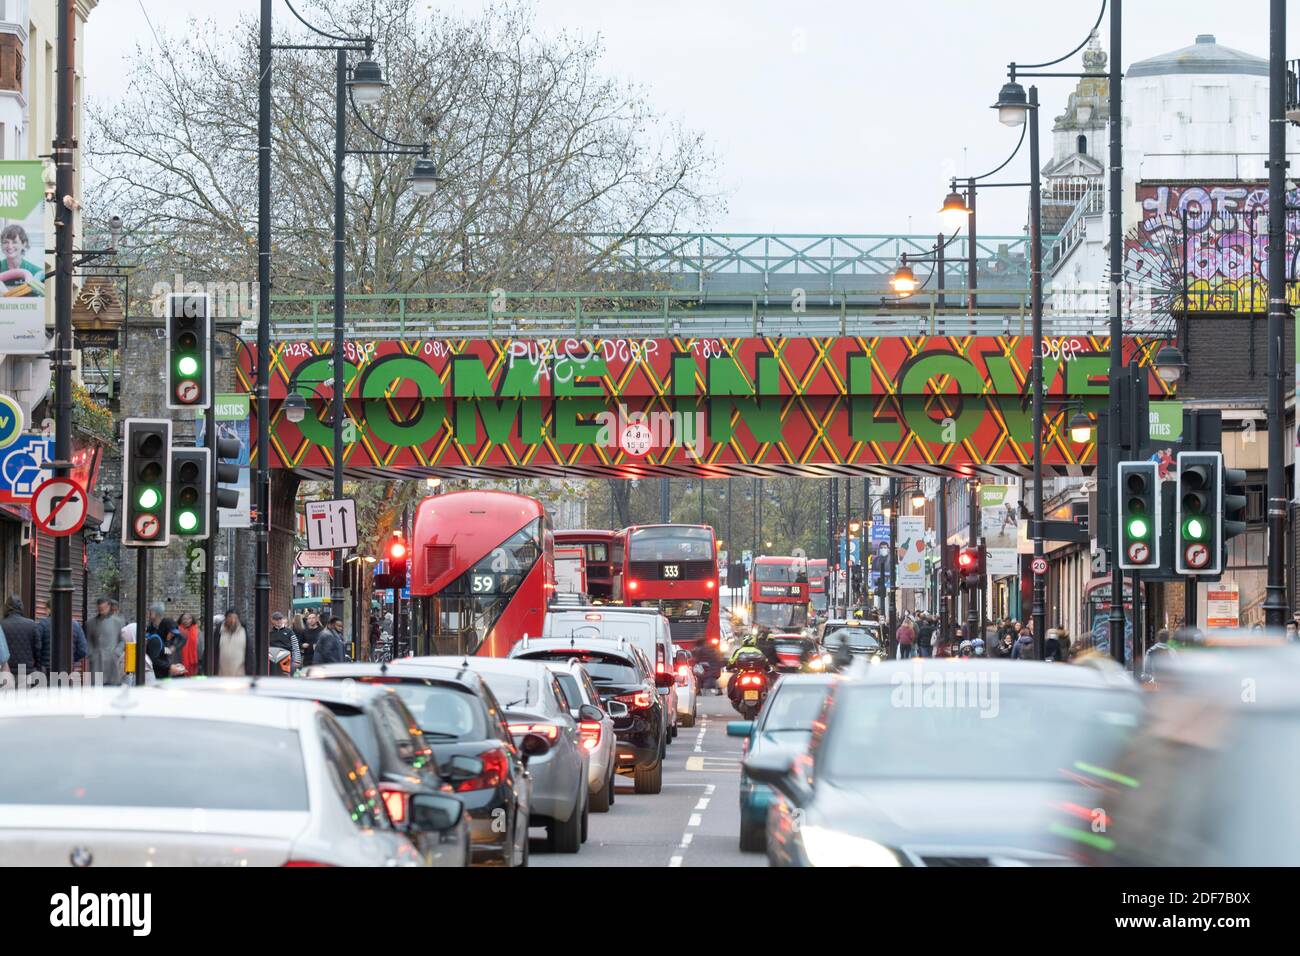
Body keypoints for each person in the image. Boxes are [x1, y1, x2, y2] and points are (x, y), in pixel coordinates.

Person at [86, 598, 126, 685]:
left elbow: (123, 640)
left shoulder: (118, 622)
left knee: (112, 690)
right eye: (99, 609)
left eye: (103, 608)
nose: (101, 611)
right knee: (96, 692)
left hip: (113, 662)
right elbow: (88, 641)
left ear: (108, 606)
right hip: (96, 662)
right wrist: (91, 654)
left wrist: (117, 653)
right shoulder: (90, 623)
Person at [2, 596, 40, 683]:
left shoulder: (2, 625)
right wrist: (37, 668)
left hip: (7, 672)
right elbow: (37, 649)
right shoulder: (32, 624)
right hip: (27, 671)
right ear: (21, 607)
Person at [217, 609, 257, 676]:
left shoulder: (244, 633)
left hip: (240, 676)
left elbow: (250, 654)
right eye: (230, 617)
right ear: (225, 618)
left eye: (235, 618)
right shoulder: (219, 633)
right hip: (221, 676)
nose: (233, 621)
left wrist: (251, 672)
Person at [177, 612, 200, 676]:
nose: (186, 620)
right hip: (180, 662)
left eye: (189, 618)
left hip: (194, 663)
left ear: (192, 620)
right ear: (181, 620)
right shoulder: (177, 632)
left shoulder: (197, 631)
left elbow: (200, 647)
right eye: (184, 619)